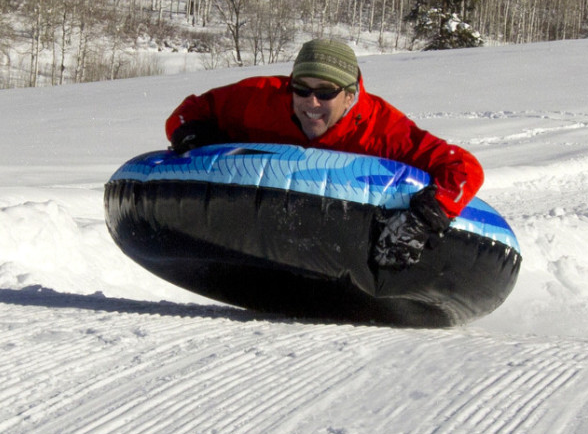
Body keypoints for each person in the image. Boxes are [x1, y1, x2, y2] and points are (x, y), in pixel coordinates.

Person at [164, 38, 485, 268]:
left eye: (325, 92)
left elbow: (463, 168)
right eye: (301, 89)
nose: (311, 102)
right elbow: (188, 112)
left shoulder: (382, 129)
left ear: (349, 96)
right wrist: (195, 140)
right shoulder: (259, 99)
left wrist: (421, 219)